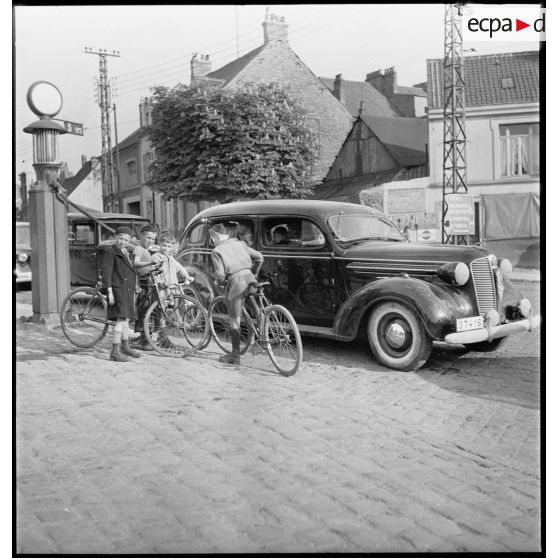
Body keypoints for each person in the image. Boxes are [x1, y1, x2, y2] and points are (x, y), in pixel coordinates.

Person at [209, 223, 263, 366]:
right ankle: (262, 335)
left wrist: (220, 282)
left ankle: (235, 355)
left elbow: (220, 276)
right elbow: (259, 257)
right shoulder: (240, 244)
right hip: (250, 279)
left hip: (237, 283)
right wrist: (254, 273)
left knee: (234, 320)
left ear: (214, 238)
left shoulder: (216, 251)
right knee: (255, 307)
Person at [100, 227, 142, 362]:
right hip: (118, 289)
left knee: (126, 319)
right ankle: (115, 351)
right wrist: (110, 292)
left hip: (127, 289)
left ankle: (125, 346)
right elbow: (106, 273)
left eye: (126, 240)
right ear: (115, 237)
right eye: (120, 238)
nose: (122, 242)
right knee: (120, 320)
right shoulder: (110, 251)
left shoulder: (124, 251)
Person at [132, 225, 160, 350]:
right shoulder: (138, 248)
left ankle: (146, 337)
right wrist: (150, 263)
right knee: (143, 310)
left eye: (153, 239)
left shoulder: (150, 250)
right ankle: (143, 338)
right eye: (148, 237)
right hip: (142, 283)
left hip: (150, 282)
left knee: (151, 310)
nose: (150, 241)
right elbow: (136, 263)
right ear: (141, 235)